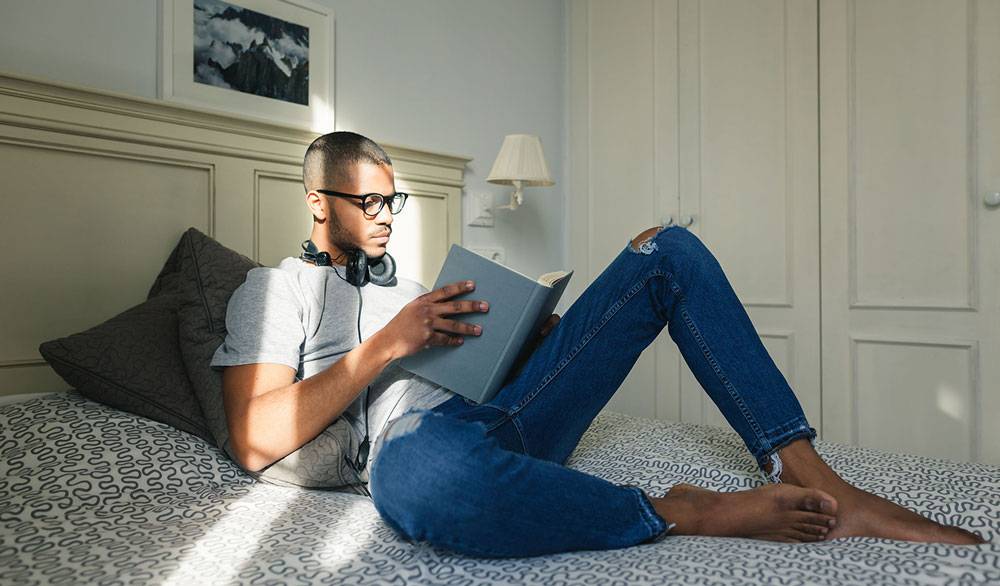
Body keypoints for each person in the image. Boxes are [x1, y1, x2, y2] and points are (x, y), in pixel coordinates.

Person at [211, 131, 984, 557]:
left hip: (508, 415)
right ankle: (683, 512)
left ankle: (813, 475)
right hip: (419, 448)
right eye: (368, 200)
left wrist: (529, 338)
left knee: (666, 249)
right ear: (318, 202)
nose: (386, 214)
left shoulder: (413, 291)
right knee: (420, 469)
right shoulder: (274, 290)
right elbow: (254, 437)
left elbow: (475, 372)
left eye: (394, 198)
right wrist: (385, 344)